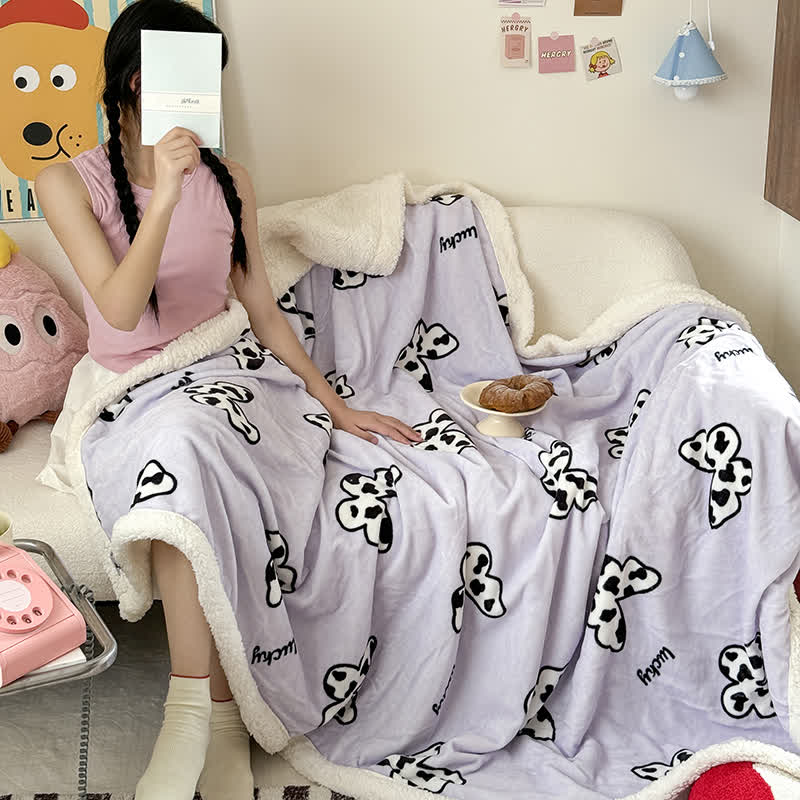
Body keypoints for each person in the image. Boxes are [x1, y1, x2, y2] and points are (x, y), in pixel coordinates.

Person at [36, 2, 421, 798]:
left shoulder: (230, 179)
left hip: (225, 373)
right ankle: (205, 717)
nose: (204, 99)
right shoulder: (66, 181)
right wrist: (164, 197)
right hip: (132, 388)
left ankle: (199, 719)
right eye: (189, 79)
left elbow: (261, 309)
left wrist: (334, 405)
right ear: (138, 83)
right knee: (180, 446)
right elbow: (119, 310)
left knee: (192, 440)